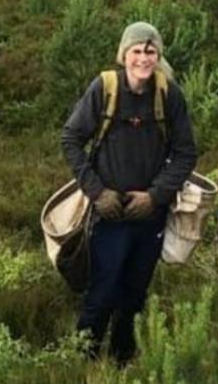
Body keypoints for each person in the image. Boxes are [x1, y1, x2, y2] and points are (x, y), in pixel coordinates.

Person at [60, 21, 197, 363]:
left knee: (135, 292)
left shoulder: (169, 94)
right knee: (103, 289)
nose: (143, 59)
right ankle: (83, 360)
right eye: (136, 51)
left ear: (158, 55)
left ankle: (123, 360)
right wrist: (97, 193)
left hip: (150, 215)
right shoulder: (105, 87)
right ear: (124, 55)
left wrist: (155, 196)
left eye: (150, 52)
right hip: (109, 214)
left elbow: (185, 153)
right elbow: (71, 139)